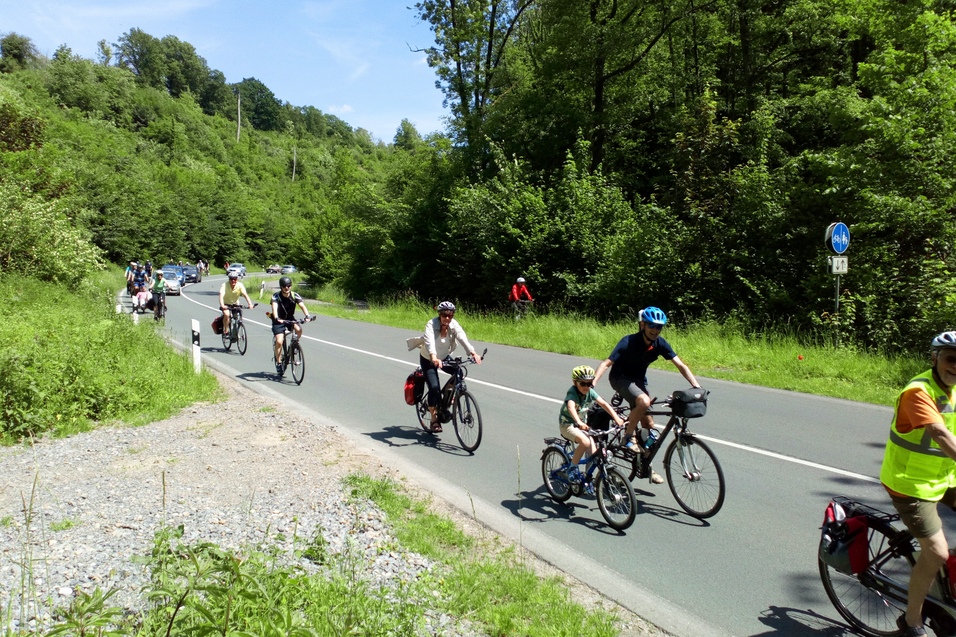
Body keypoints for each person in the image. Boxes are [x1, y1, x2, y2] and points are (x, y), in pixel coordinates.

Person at [880, 331, 956, 636]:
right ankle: (911, 623)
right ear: (934, 358)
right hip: (909, 484)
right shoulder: (918, 392)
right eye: (951, 358)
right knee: (937, 552)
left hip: (942, 477)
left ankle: (943, 587)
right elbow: (940, 434)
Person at [592, 306, 701, 484]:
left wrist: (696, 385)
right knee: (643, 401)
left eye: (659, 327)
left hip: (639, 381)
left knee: (650, 430)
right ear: (642, 325)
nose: (655, 330)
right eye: (651, 325)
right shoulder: (628, 341)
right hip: (620, 379)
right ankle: (628, 437)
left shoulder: (660, 343)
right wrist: (593, 382)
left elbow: (680, 365)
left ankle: (645, 466)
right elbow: (606, 363)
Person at [413, 301, 482, 433]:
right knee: (434, 387)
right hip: (429, 358)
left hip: (444, 357)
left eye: (450, 315)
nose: (447, 318)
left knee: (458, 373)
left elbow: (462, 338)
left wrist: (473, 353)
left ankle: (446, 400)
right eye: (445, 315)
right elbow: (429, 342)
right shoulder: (431, 324)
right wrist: (434, 357)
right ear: (439, 314)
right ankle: (434, 419)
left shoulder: (453, 324)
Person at [559, 365, 626, 487]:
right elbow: (571, 407)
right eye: (582, 383)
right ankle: (572, 468)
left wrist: (616, 418)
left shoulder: (590, 392)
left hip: (581, 426)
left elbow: (604, 404)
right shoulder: (572, 393)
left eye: (589, 383)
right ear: (575, 382)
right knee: (585, 442)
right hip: (568, 425)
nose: (586, 387)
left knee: (595, 453)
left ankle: (589, 478)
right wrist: (579, 422)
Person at [270, 276, 310, 376]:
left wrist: (307, 316)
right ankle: (279, 363)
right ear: (281, 287)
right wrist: (277, 317)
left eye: (289, 285)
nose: (287, 288)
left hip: (290, 318)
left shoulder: (295, 295)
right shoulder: (276, 296)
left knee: (299, 330)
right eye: (284, 286)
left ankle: (295, 345)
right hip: (278, 320)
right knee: (279, 341)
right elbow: (274, 308)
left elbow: (302, 306)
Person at [218, 270, 255, 338]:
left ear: (237, 279)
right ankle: (226, 331)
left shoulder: (240, 285)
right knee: (227, 315)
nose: (233, 281)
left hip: (235, 303)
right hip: (226, 304)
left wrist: (250, 304)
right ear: (229, 279)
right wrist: (222, 305)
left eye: (235, 279)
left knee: (238, 315)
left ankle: (237, 329)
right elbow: (221, 296)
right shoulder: (224, 285)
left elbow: (245, 295)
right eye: (231, 279)